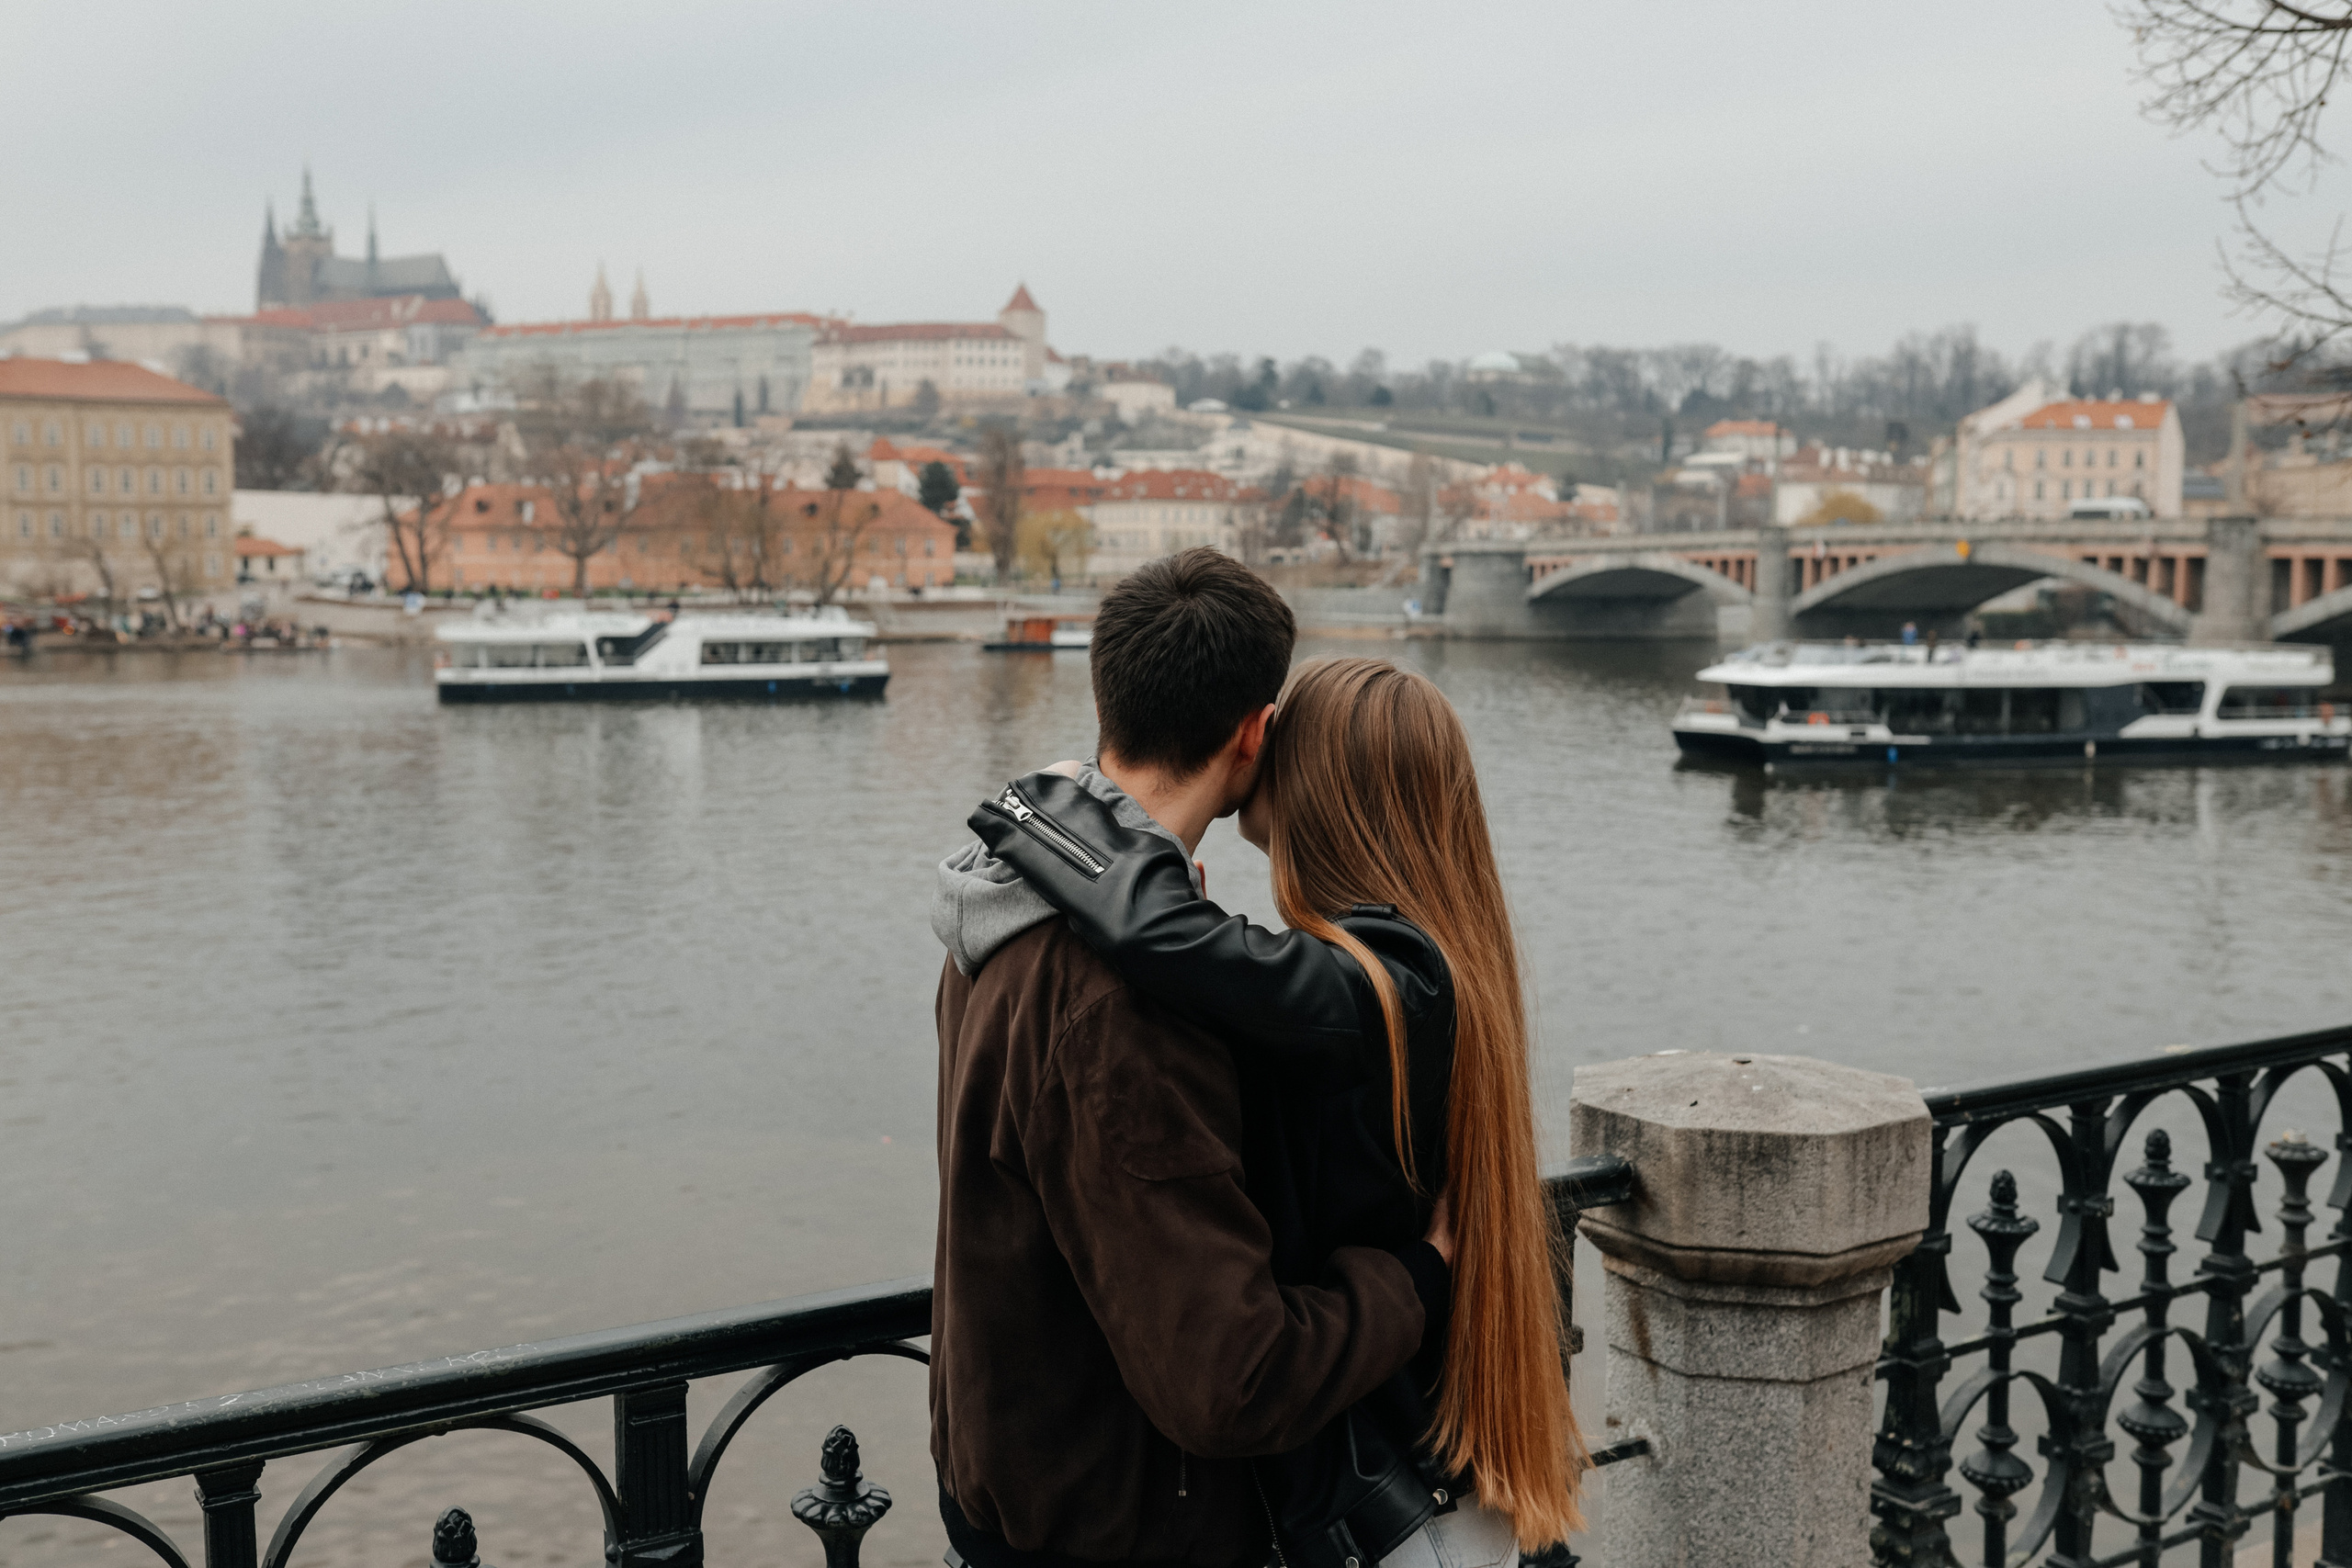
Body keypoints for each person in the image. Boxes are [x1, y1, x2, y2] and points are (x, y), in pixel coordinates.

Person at [968, 656, 1587, 1566]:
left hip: (1389, 1521)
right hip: (1433, 1495)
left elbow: (1161, 935)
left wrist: (1038, 811)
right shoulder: (1433, 971)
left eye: (1283, 747)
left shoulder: (1374, 989)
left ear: (1326, 789)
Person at [930, 550, 1452, 1568]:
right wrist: (1422, 1275)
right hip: (1121, 1524)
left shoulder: (999, 910)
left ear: (1107, 693)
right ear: (1256, 732)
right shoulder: (1126, 997)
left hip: (1008, 1485)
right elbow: (1231, 1380)